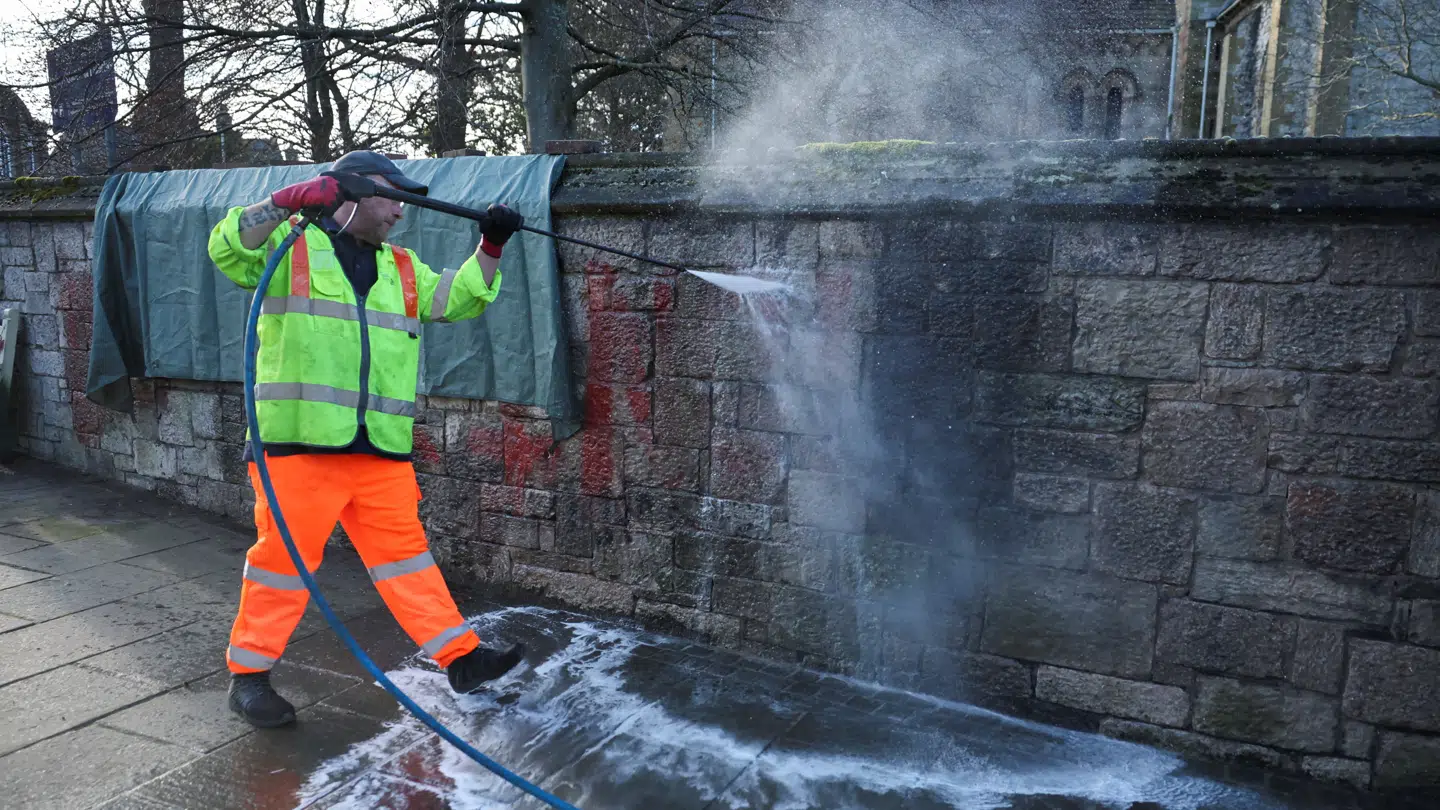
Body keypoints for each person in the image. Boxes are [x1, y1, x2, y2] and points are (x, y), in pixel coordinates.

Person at [207, 150, 525, 728]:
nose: (400, 213)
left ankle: (462, 660)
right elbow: (228, 247)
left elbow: (459, 300)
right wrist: (286, 201)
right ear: (353, 192)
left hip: (379, 450)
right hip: (299, 448)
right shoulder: (290, 251)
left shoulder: (403, 268)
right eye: (393, 198)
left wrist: (491, 247)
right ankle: (249, 677)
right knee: (282, 565)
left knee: (408, 562)